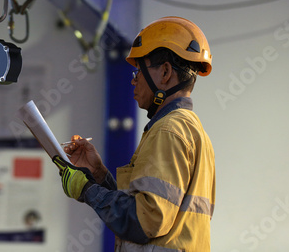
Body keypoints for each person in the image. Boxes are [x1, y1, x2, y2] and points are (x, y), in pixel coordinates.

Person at [52, 16, 215, 251]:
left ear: (166, 72)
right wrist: (98, 175)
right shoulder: (192, 131)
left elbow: (144, 222)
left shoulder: (168, 131)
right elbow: (148, 210)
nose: (134, 81)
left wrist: (86, 189)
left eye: (138, 71)